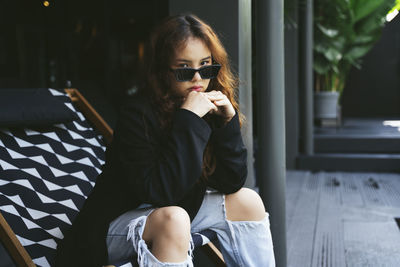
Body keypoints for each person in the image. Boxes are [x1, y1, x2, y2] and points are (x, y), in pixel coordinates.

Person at [56, 14, 275, 267]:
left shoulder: (207, 108)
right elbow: (161, 193)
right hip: (113, 227)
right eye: (184, 70)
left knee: (248, 201)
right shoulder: (138, 115)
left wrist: (226, 125)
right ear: (162, 72)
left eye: (206, 67)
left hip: (176, 211)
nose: (198, 79)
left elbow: (231, 181)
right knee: (174, 219)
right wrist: (189, 120)